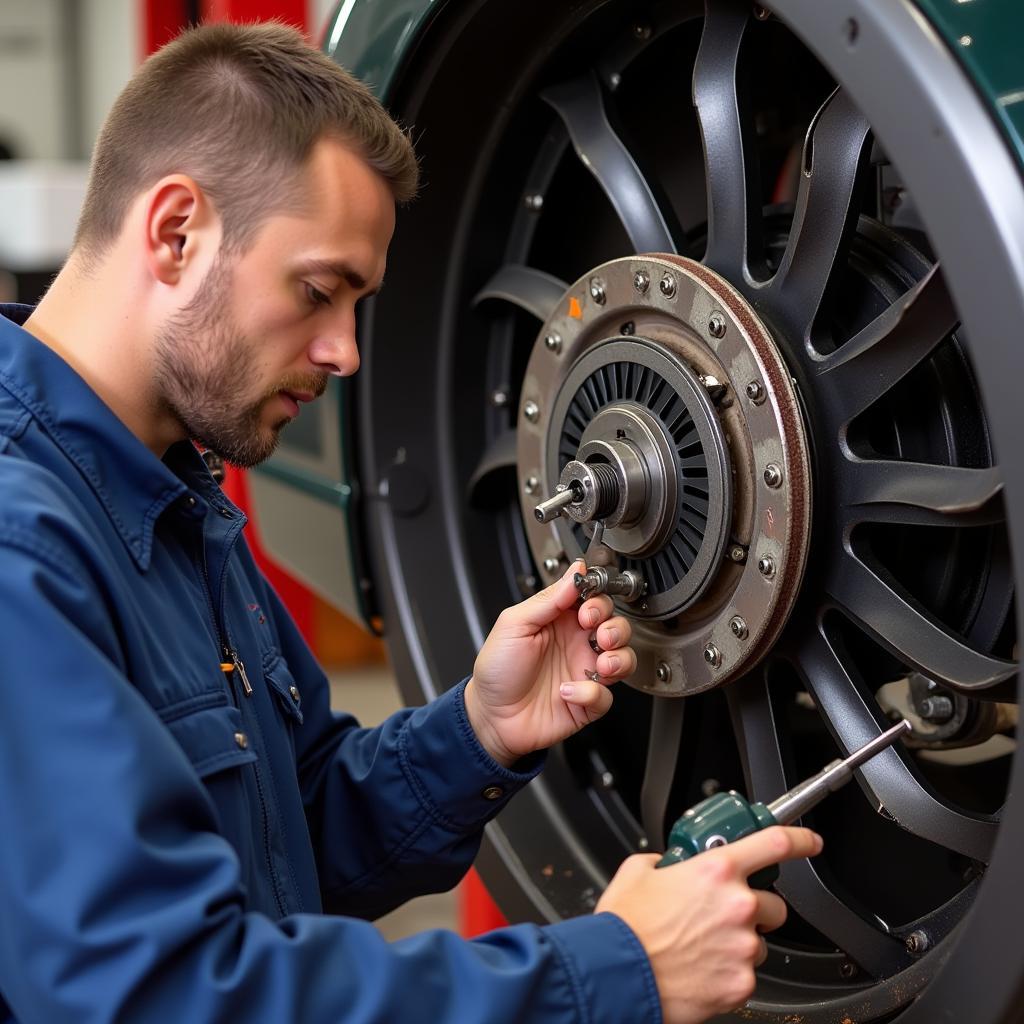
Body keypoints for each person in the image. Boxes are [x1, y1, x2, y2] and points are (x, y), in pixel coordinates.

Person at [0, 22, 822, 1024]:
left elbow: (295, 831)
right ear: (176, 231)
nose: (343, 352)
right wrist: (613, 968)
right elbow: (161, 994)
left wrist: (478, 732)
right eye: (317, 292)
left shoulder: (177, 497)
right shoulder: (22, 548)